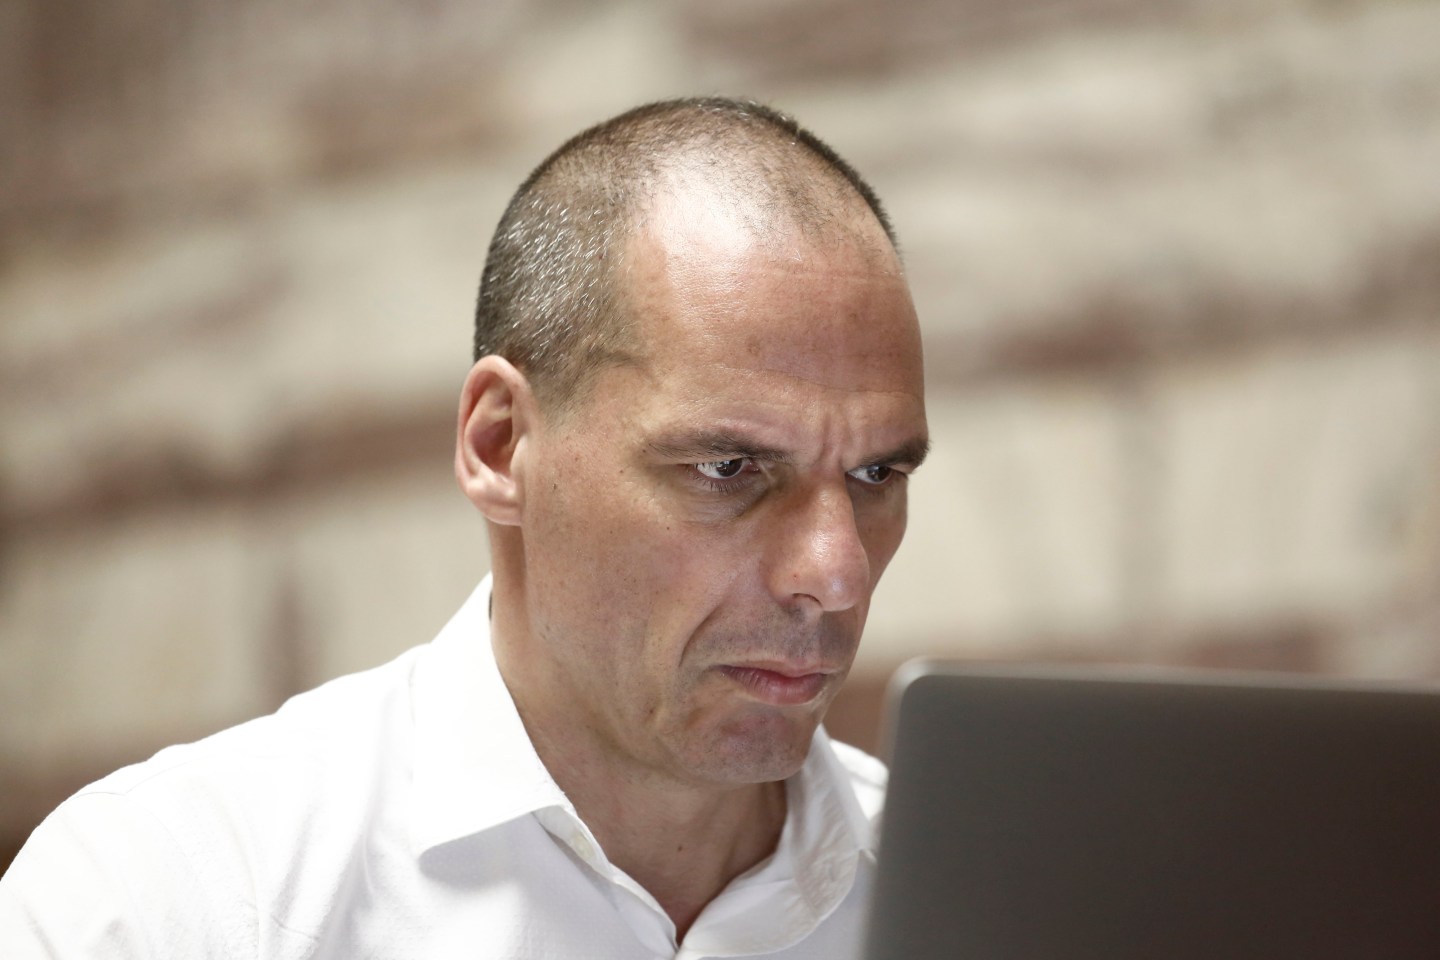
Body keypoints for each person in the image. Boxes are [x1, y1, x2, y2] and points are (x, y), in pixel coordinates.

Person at [0, 97, 929, 958]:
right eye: (728, 469)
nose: (838, 573)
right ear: (500, 444)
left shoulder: (987, 896)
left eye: (876, 473)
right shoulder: (167, 903)